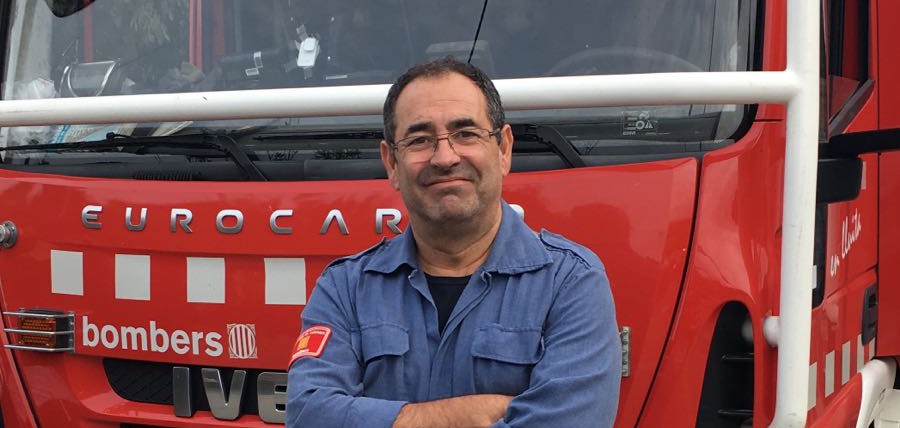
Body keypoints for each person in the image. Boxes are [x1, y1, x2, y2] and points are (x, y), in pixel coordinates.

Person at [286, 57, 621, 427]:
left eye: (466, 134)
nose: (445, 158)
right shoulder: (345, 287)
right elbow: (306, 415)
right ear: (392, 164)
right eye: (420, 140)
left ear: (504, 149)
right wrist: (463, 416)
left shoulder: (571, 283)